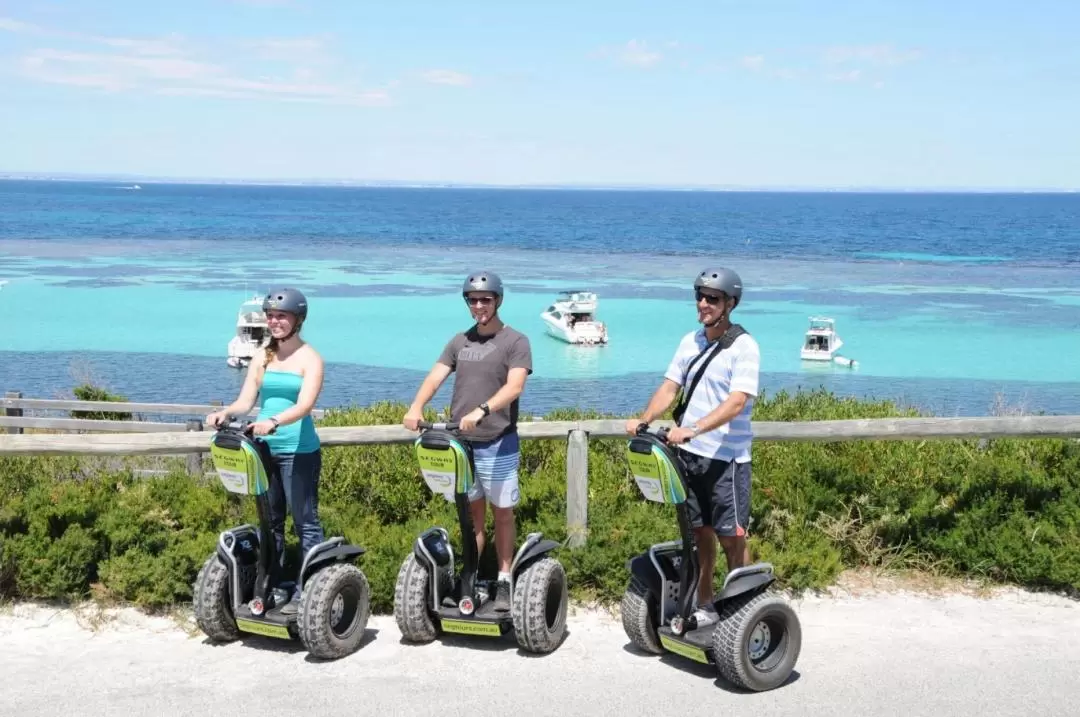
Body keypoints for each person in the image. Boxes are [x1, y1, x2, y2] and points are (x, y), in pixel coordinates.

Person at [625, 267, 760, 628]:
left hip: (726, 460)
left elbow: (736, 402)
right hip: (691, 458)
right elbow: (670, 387)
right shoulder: (691, 342)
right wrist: (644, 420)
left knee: (732, 536)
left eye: (712, 298)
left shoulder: (744, 346)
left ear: (730, 303)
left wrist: (693, 429)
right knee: (699, 534)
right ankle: (705, 603)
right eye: (699, 296)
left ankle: (741, 606)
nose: (703, 303)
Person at [403, 270, 532, 612]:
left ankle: (504, 578)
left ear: (498, 301)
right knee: (471, 515)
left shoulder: (515, 341)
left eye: (485, 300)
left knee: (502, 513)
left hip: (497, 441)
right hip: (462, 444)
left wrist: (483, 410)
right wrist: (416, 406)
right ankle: (470, 577)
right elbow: (435, 376)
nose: (479, 306)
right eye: (473, 300)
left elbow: (515, 386)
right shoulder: (459, 341)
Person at [206, 287, 326, 615]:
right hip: (264, 449)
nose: (274, 322)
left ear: (297, 320)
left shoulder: (310, 359)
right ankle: (271, 583)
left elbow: (304, 406)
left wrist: (274, 420)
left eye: (281, 316)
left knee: (305, 522)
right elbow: (246, 401)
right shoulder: (262, 355)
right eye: (270, 316)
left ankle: (310, 589)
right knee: (269, 520)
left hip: (298, 450)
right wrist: (226, 413)